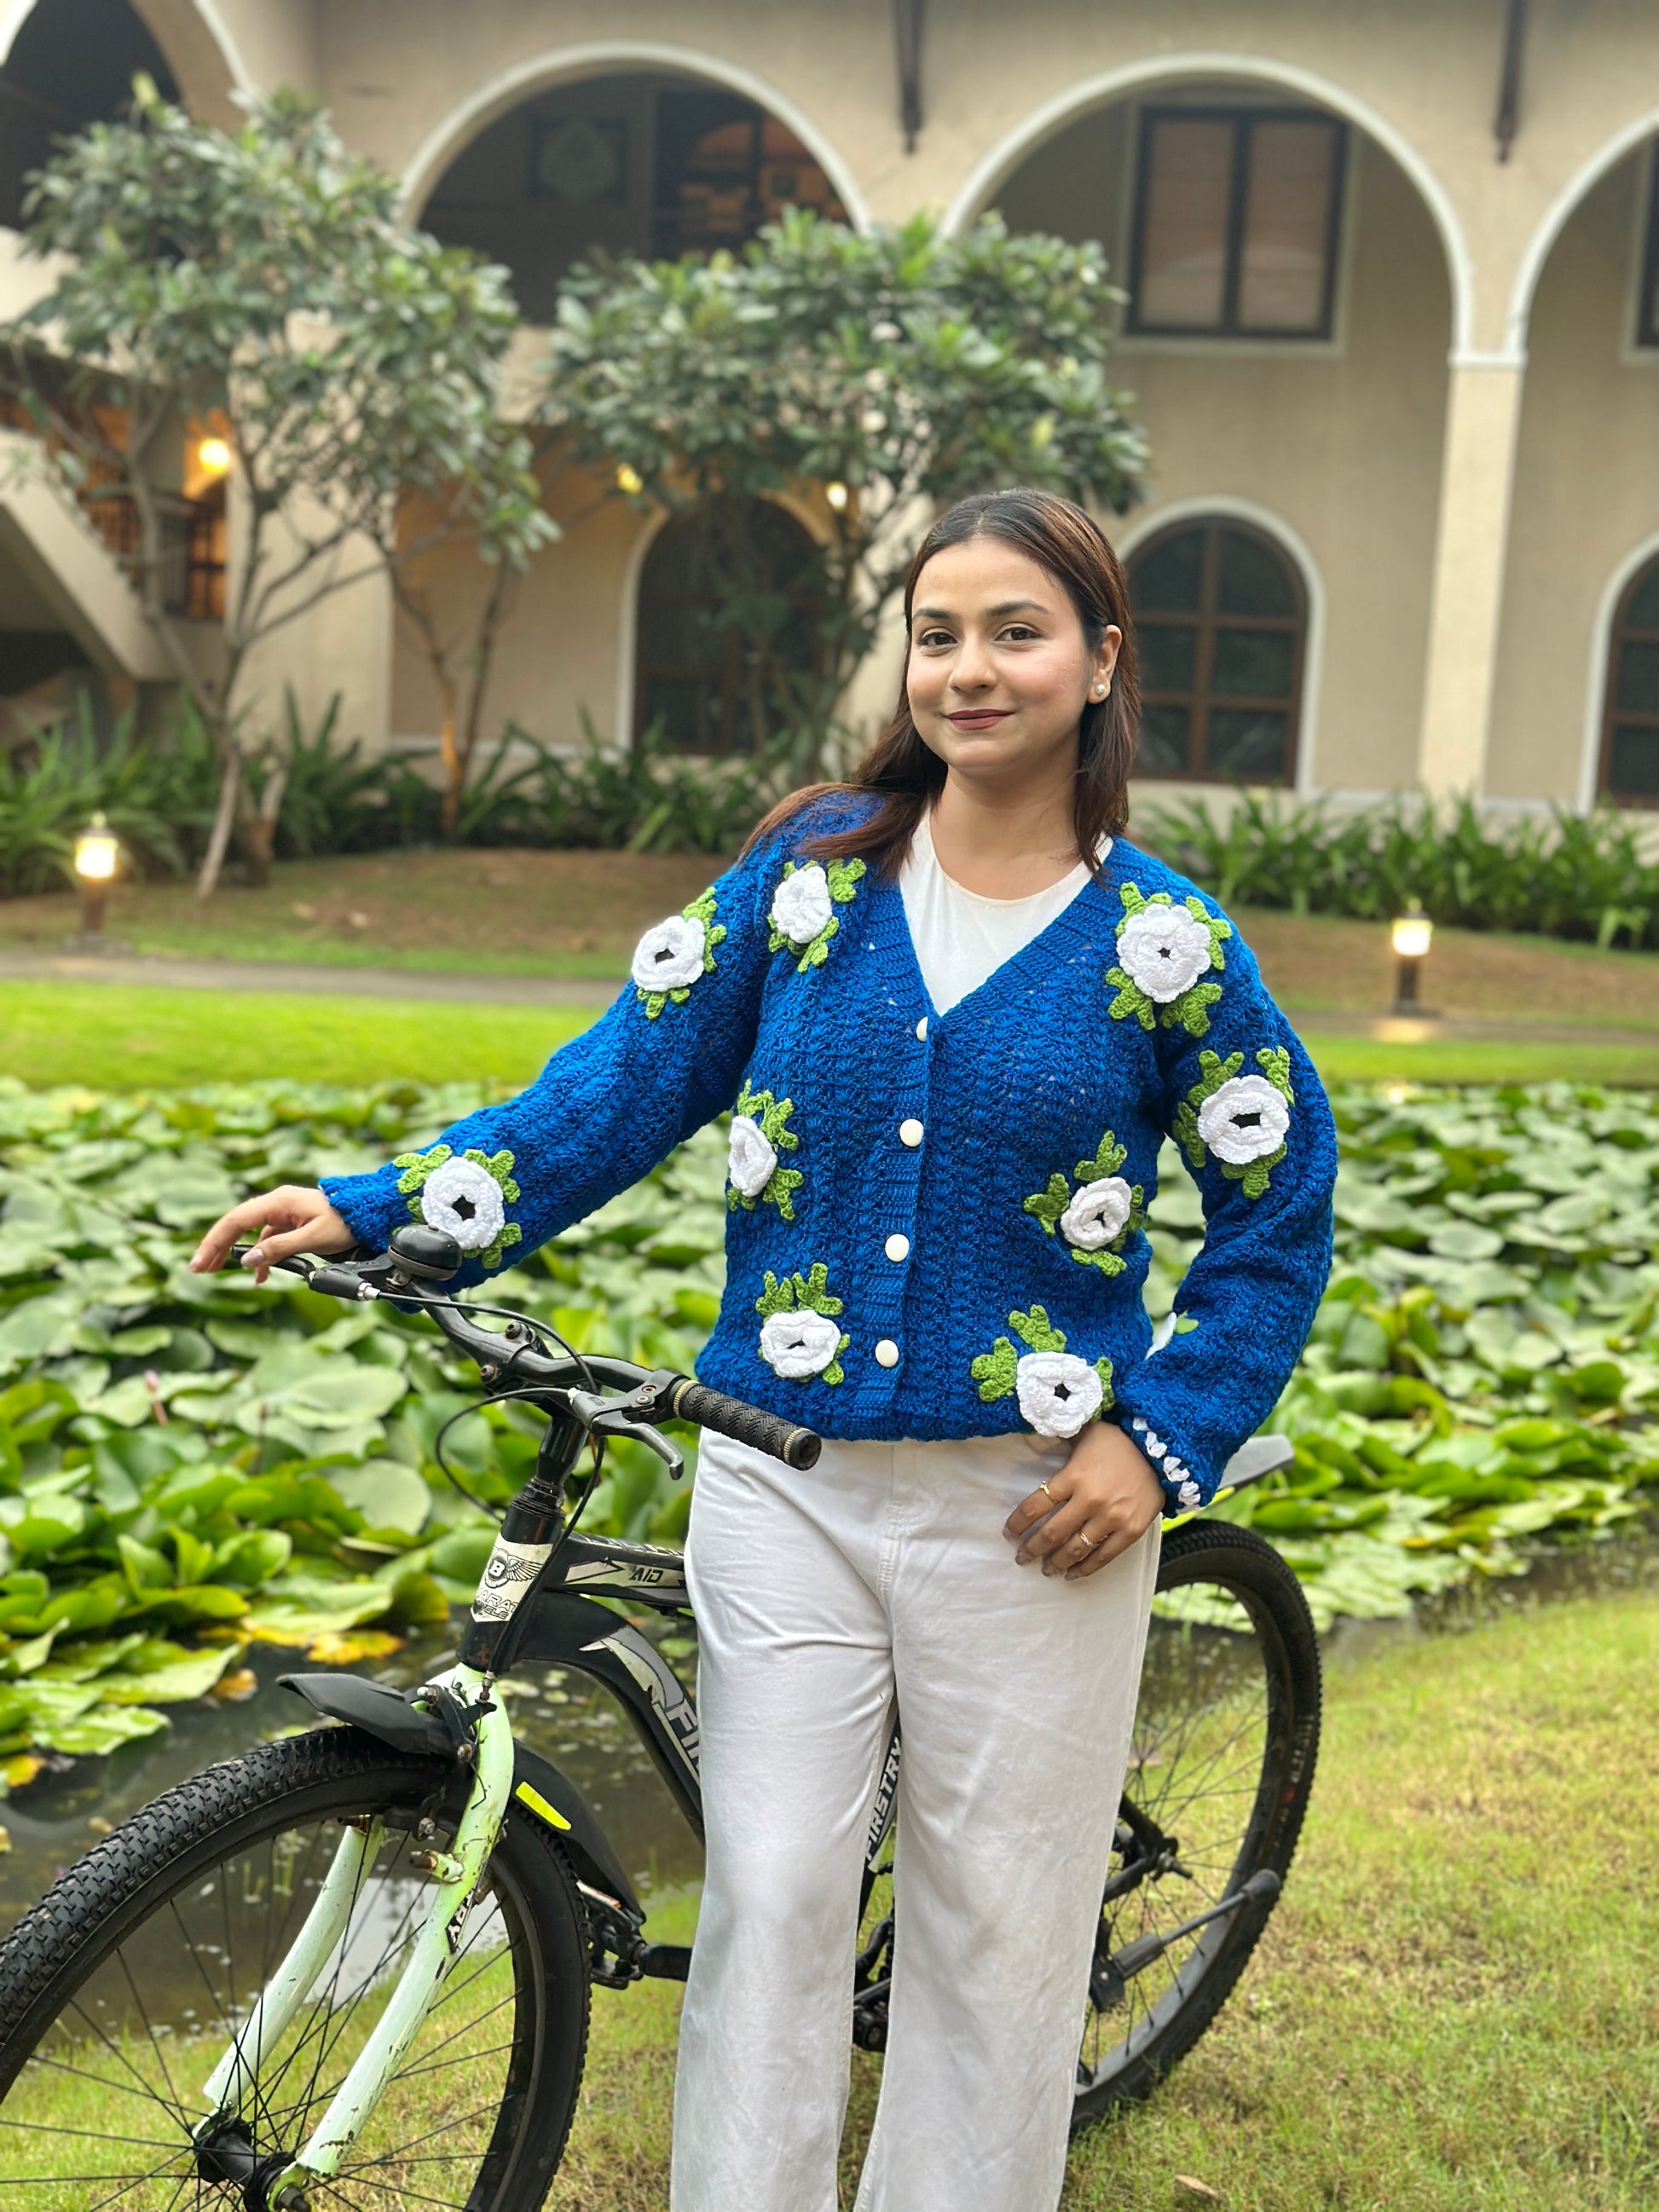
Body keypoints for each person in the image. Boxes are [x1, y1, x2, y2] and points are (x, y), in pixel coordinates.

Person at [190, 487, 1337, 2212]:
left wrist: (1158, 1434)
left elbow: (1277, 1203)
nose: (967, 668)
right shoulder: (809, 885)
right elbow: (614, 1086)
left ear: (1101, 661)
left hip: (1029, 1510)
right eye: (936, 634)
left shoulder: (1165, 948)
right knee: (775, 1892)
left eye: (1014, 632)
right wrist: (378, 1204)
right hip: (777, 1481)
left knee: (995, 1926)